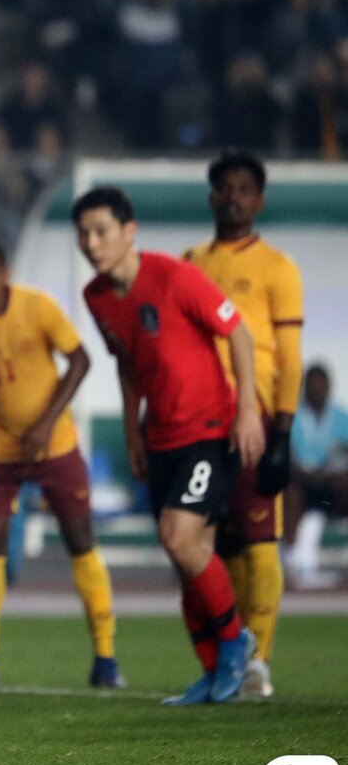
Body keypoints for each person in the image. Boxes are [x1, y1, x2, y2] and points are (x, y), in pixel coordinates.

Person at [77, 186, 264, 706]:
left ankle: (233, 644)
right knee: (187, 555)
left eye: (101, 231)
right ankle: (213, 673)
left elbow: (239, 334)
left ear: (129, 231)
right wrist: (133, 431)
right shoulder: (97, 298)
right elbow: (126, 362)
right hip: (159, 438)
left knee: (178, 537)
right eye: (84, 234)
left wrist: (248, 408)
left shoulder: (177, 277)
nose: (91, 243)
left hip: (209, 429)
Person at [0, 232, 122, 690]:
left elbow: (79, 361)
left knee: (81, 541)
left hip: (54, 446)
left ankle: (105, 657)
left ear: (4, 274)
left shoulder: (38, 308)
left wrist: (45, 424)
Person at [183, 151, 303, 698]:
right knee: (217, 546)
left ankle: (261, 661)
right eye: (223, 188)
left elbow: (290, 357)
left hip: (251, 423)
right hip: (199, 424)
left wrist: (282, 430)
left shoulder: (278, 268)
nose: (232, 197)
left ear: (260, 200)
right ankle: (232, 653)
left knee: (260, 541)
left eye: (243, 189)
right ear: (210, 197)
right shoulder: (190, 265)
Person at [285, 364, 348, 590]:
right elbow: (288, 456)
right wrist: (308, 475)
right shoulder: (293, 416)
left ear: (329, 387)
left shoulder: (341, 417)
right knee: (293, 492)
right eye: (312, 385)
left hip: (332, 489)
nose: (317, 389)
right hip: (301, 485)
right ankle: (294, 564)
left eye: (321, 384)